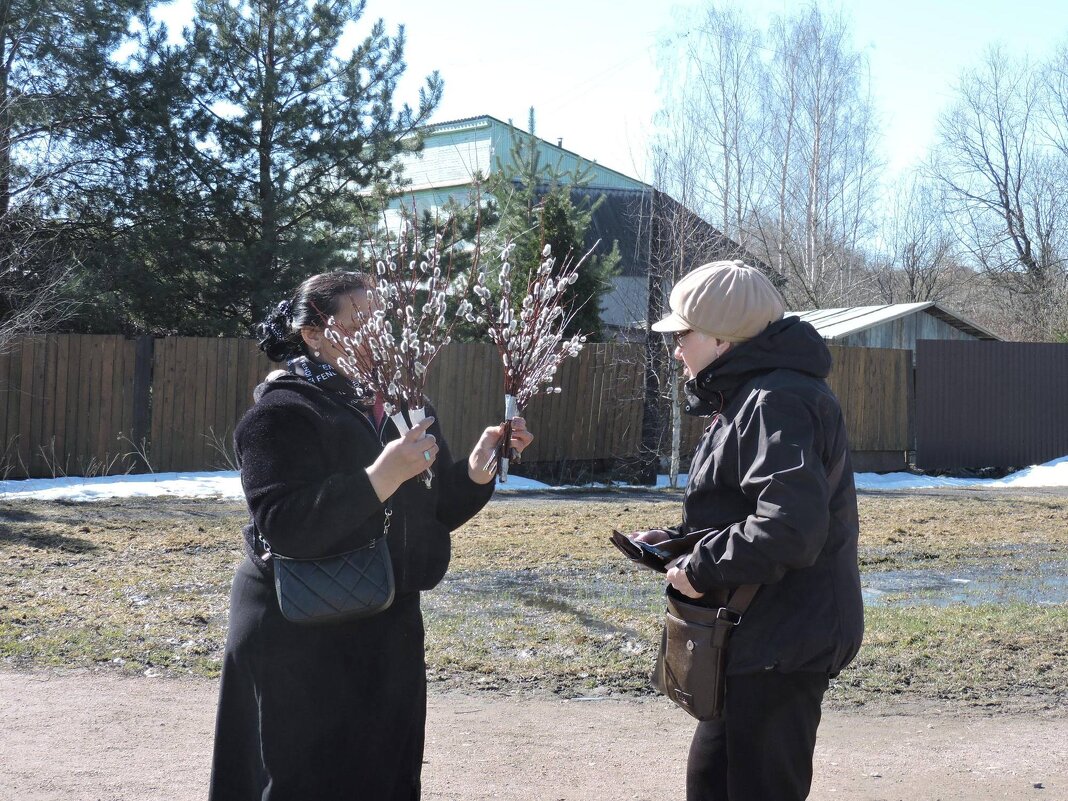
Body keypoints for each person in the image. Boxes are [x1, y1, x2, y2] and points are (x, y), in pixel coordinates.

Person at [208, 271, 532, 800]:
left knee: (385, 780)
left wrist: (476, 469)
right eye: (360, 322)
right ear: (313, 334)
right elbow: (285, 524)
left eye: (382, 321)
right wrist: (380, 477)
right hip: (299, 630)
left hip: (385, 627)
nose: (377, 333)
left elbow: (430, 512)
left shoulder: (403, 406)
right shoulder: (281, 411)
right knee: (301, 785)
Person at [635, 260, 864, 801]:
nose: (675, 349)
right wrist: (678, 541)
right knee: (710, 784)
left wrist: (701, 565)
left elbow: (790, 526)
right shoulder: (749, 396)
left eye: (682, 334)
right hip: (751, 639)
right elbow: (747, 509)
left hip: (781, 643)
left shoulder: (775, 399)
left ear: (721, 338)